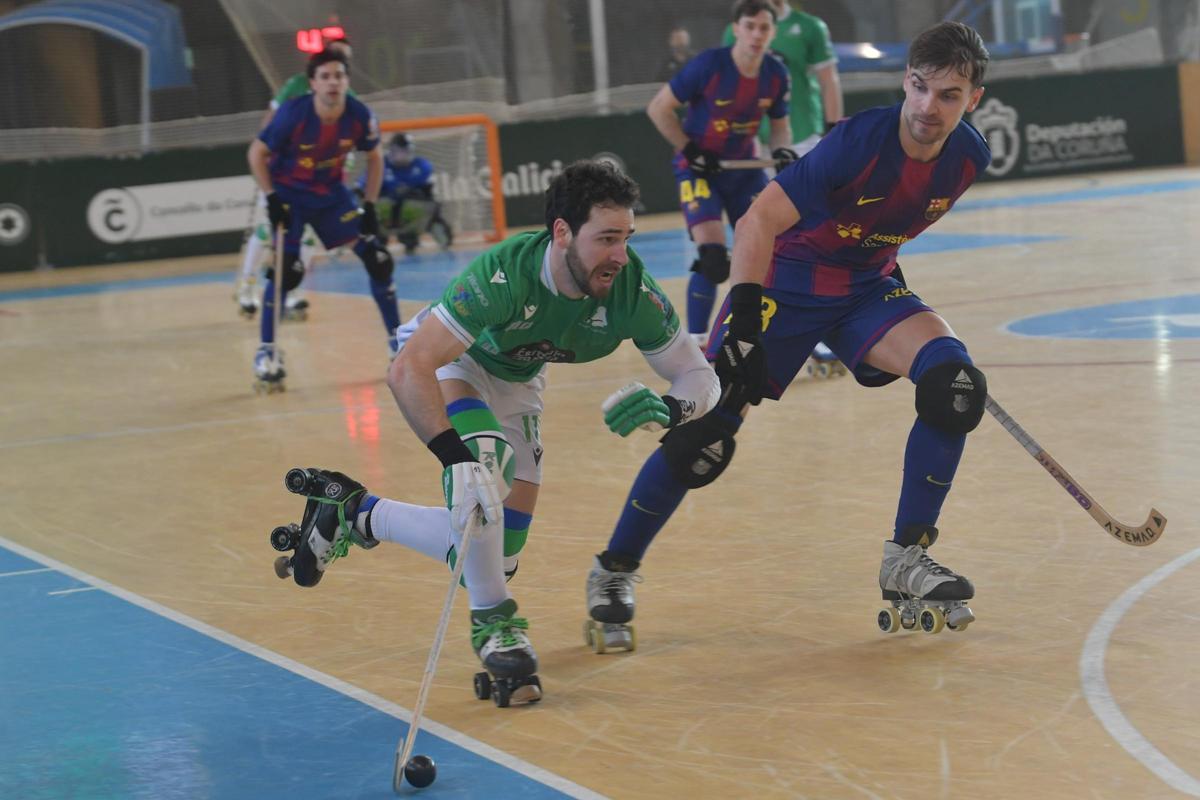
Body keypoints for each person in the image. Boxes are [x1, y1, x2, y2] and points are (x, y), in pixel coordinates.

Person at [587, 21, 992, 641]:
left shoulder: (968, 157)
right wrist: (746, 314)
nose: (927, 108)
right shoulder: (858, 142)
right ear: (904, 82)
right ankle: (614, 569)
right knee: (704, 440)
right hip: (785, 283)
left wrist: (882, 255)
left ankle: (906, 559)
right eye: (919, 88)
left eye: (948, 96)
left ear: (974, 101)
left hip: (863, 288)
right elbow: (757, 220)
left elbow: (888, 219)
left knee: (954, 386)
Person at [270, 161, 720, 702]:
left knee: (492, 554)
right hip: (453, 362)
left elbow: (698, 375)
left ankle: (357, 512)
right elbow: (407, 367)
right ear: (561, 234)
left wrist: (673, 409)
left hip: (516, 381)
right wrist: (454, 457)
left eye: (625, 238)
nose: (620, 255)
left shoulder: (630, 289)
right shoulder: (505, 277)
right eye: (605, 239)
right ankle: (495, 626)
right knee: (484, 466)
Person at [246, 47, 401, 389]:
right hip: (289, 196)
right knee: (287, 273)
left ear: (347, 81)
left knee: (377, 258)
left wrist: (371, 205)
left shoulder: (359, 115)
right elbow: (256, 153)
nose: (333, 82)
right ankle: (267, 352)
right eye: (326, 77)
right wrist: (271, 198)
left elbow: (375, 157)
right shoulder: (293, 114)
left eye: (339, 76)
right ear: (313, 83)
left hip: (332, 196)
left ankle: (397, 344)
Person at [646, 0, 793, 348]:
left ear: (773, 33)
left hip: (744, 171)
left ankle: (773, 332)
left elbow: (780, 128)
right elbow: (658, 108)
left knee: (771, 254)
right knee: (713, 260)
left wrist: (782, 153)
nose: (757, 34)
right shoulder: (709, 65)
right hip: (699, 172)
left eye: (764, 28)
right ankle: (695, 343)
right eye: (750, 26)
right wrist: (690, 150)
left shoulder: (776, 74)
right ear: (737, 29)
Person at [724, 0, 845, 376]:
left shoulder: (809, 27)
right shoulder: (736, 27)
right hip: (754, 147)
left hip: (804, 141)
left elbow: (828, 81)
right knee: (759, 238)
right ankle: (757, 324)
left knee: (810, 235)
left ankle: (819, 329)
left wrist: (833, 131)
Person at [235, 37, 356, 321]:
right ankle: (247, 287)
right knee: (270, 230)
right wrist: (266, 153)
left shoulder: (347, 95)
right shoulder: (297, 85)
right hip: (285, 173)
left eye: (344, 62)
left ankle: (290, 291)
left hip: (318, 180)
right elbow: (272, 118)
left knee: (306, 238)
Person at [364, 132, 451, 255]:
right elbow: (362, 188)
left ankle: (412, 235)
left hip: (409, 218)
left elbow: (429, 198)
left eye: (405, 151)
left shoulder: (422, 166)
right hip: (384, 218)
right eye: (398, 151)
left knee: (423, 205)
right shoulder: (380, 165)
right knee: (373, 204)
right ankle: (374, 237)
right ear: (391, 151)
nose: (402, 156)